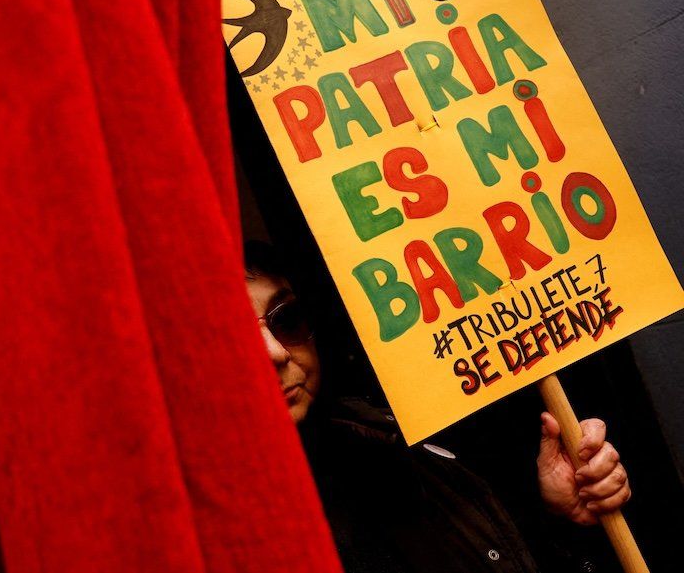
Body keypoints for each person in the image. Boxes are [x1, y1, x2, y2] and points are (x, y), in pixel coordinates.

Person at [244, 240, 632, 573]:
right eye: (236, 335)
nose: (276, 352)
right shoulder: (219, 534)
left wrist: (563, 519)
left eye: (286, 319)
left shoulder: (392, 442)